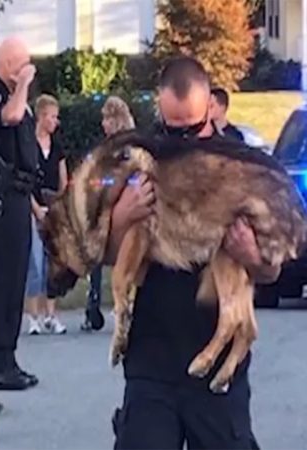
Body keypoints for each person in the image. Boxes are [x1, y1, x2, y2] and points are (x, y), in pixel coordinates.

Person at [109, 56, 271, 449]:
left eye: (192, 130)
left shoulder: (244, 166)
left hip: (215, 366)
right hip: (151, 363)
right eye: (171, 129)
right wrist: (121, 216)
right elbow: (106, 254)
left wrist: (251, 254)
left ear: (211, 109)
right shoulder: (140, 158)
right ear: (159, 111)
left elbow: (273, 270)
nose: (180, 143)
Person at [0, 36, 40, 395]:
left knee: (17, 280)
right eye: (22, 65)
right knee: (3, 282)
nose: (27, 70)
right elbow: (10, 117)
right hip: (3, 200)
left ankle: (9, 356)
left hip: (21, 197)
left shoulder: (19, 98)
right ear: (6, 67)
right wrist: (23, 85)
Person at [81, 96, 136, 332]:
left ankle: (126, 305)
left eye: (106, 118)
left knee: (124, 259)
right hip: (103, 208)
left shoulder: (128, 148)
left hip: (123, 207)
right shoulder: (104, 148)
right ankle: (93, 302)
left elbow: (128, 177)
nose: (103, 123)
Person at [25, 94, 67, 335]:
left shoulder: (58, 148)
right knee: (35, 264)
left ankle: (51, 314)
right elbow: (27, 179)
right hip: (34, 209)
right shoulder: (29, 145)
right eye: (51, 116)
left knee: (53, 265)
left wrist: (58, 205)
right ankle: (32, 316)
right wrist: (35, 208)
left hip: (53, 209)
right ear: (41, 117)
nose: (55, 121)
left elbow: (64, 180)